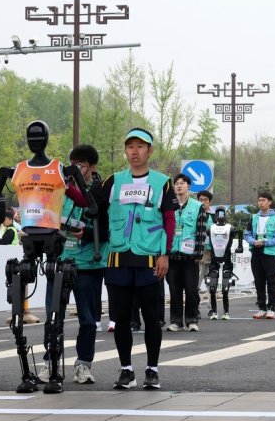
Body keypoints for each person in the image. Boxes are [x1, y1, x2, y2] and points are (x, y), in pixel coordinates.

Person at [94, 127, 175, 390]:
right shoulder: (113, 181)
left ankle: (152, 369)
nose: (135, 151)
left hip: (150, 260)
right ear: (125, 150)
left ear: (149, 150)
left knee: (152, 318)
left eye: (140, 146)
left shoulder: (162, 182)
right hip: (118, 259)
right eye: (130, 146)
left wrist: (165, 254)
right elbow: (95, 211)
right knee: (119, 319)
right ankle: (126, 369)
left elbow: (169, 221)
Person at [37, 144, 104, 386]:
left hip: (88, 264)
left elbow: (106, 228)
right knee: (52, 316)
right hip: (58, 260)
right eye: (72, 164)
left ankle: (84, 365)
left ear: (92, 167)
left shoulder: (100, 191)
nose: (75, 169)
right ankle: (49, 363)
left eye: (81, 165)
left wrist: (85, 233)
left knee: (88, 318)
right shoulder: (58, 189)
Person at [166, 173, 208, 332]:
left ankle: (192, 319)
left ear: (189, 186)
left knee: (191, 290)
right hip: (172, 254)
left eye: (182, 183)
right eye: (176, 183)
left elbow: (201, 232)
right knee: (174, 290)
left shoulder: (197, 206)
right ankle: (176, 321)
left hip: (190, 255)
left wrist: (198, 254)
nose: (179, 185)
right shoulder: (169, 205)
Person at [245, 191, 275, 319]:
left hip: (270, 253)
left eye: (263, 200)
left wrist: (265, 243)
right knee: (259, 280)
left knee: (271, 281)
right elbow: (248, 234)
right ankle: (261, 307)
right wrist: (253, 241)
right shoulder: (253, 217)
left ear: (269, 202)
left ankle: (271, 308)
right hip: (256, 252)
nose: (261, 203)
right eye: (259, 200)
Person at [206, 206, 237, 319]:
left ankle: (226, 313)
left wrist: (239, 246)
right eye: (218, 213)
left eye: (222, 213)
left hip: (227, 259)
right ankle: (214, 312)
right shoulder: (211, 228)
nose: (220, 216)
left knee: (225, 289)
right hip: (214, 259)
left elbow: (238, 233)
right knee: (212, 288)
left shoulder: (230, 228)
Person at [196, 190, 214, 293]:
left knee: (210, 274)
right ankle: (194, 298)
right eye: (201, 200)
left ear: (209, 202)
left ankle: (211, 301)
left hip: (211, 250)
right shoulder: (195, 214)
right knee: (198, 274)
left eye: (205, 200)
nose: (203, 202)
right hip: (199, 249)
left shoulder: (214, 215)